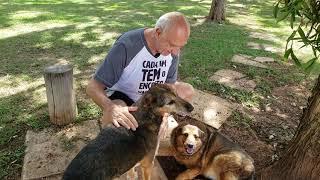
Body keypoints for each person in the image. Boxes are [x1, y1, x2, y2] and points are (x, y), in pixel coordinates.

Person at [86, 12, 194, 131]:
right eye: (172, 45)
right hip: (124, 96)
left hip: (153, 98)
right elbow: (92, 87)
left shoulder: (173, 50)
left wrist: (166, 114)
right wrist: (110, 107)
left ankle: (163, 124)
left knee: (187, 91)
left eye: (180, 46)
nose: (175, 53)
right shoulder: (127, 45)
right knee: (115, 119)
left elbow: (169, 85)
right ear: (158, 32)